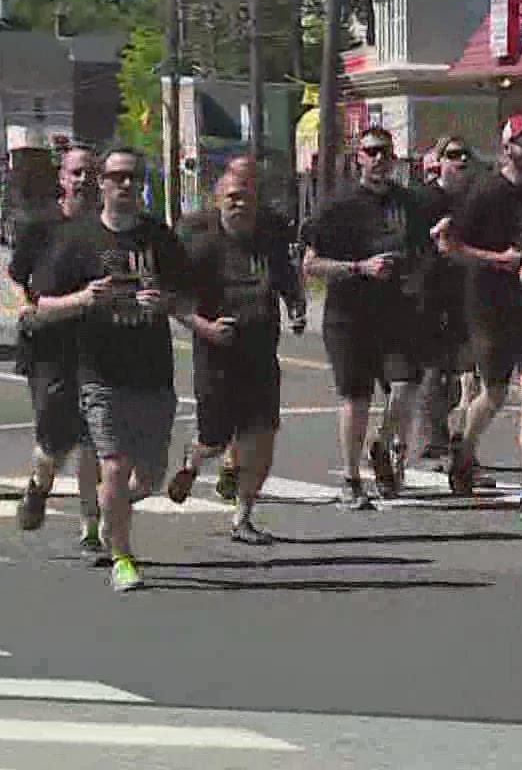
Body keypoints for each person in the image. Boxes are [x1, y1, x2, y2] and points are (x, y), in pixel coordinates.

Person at [22, 146, 194, 593]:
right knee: (113, 466)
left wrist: (168, 303)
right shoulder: (77, 239)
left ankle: (107, 510)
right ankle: (121, 556)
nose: (124, 184)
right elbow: (41, 304)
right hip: (99, 373)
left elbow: (190, 297)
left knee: (149, 477)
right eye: (115, 176)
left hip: (154, 374)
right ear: (101, 183)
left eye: (133, 177)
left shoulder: (160, 238)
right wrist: (83, 299)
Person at [165, 164, 303, 543]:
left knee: (261, 434)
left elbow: (288, 280)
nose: (239, 204)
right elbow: (175, 302)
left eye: (246, 197)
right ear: (218, 202)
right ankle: (193, 461)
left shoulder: (269, 238)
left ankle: (243, 517)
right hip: (217, 355)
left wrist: (296, 309)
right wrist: (206, 328)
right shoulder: (200, 243)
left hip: (261, 351)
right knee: (216, 438)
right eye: (231, 198)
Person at [440, 113, 522, 514]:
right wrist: (498, 259)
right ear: (506, 148)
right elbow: (449, 244)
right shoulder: (485, 193)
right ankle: (464, 448)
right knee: (493, 393)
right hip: (490, 303)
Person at [302, 126, 434, 511]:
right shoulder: (337, 206)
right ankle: (351, 477)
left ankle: (383, 442)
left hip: (398, 311)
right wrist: (359, 267)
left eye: (385, 153)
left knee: (407, 385)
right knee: (356, 398)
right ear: (358, 157)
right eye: (371, 152)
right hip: (349, 315)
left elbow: (424, 248)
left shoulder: (408, 203)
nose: (379, 159)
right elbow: (311, 265)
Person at [10, 146, 107, 558]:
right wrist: (25, 308)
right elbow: (16, 276)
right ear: (62, 179)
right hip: (48, 343)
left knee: (91, 437)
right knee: (54, 439)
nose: (82, 179)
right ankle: (39, 483)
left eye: (89, 172)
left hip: (98, 343)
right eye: (75, 172)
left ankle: (91, 527)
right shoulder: (40, 226)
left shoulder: (110, 227)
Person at [210, 155, 307, 503]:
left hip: (261, 337)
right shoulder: (203, 228)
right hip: (218, 341)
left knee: (259, 422)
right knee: (222, 424)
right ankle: (219, 460)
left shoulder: (272, 227)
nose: (244, 193)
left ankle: (240, 494)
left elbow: (284, 269)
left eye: (251, 185)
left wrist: (295, 304)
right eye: (238, 184)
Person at [412, 136, 475, 468]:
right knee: (435, 371)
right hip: (430, 290)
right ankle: (431, 441)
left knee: (463, 374)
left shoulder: (473, 199)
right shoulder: (424, 199)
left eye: (465, 155)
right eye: (453, 155)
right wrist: (436, 233)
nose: (461, 160)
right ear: (439, 162)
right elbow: (411, 240)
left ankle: (457, 440)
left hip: (466, 290)